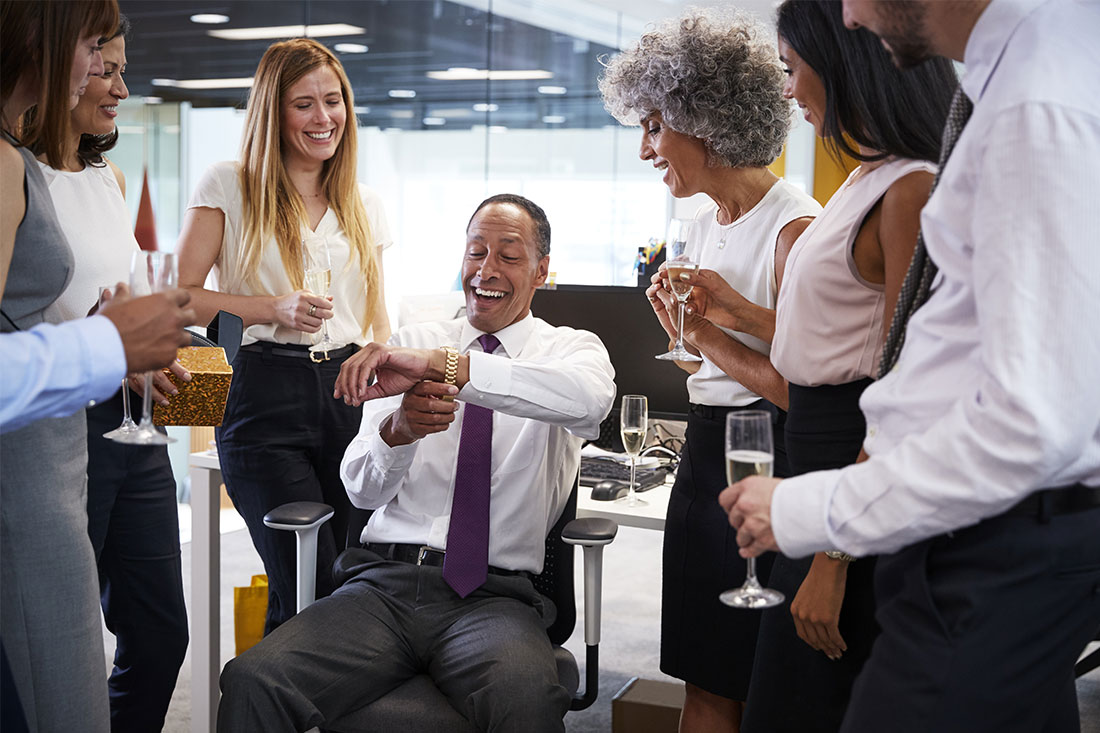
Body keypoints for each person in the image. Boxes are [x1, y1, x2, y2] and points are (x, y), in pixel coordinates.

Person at [720, 0, 1100, 731]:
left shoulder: (1035, 101)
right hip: (943, 504)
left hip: (992, 522)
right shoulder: (1014, 81)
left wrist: (821, 516)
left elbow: (1030, 416)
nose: (853, 17)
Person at [216, 194, 615, 732]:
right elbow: (360, 490)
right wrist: (396, 432)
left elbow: (588, 402)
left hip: (494, 601)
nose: (486, 270)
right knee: (253, 679)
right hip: (383, 587)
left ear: (542, 270)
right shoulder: (411, 342)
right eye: (476, 252)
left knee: (525, 700)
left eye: (509, 256)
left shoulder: (569, 350)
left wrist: (453, 368)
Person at [678, 2, 954, 730]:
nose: (790, 90)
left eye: (793, 69)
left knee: (806, 699)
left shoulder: (909, 189)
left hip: (845, 474)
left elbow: (905, 385)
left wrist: (834, 555)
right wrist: (723, 319)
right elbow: (822, 340)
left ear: (843, 64)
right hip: (815, 468)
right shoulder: (865, 183)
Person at [599, 8, 820, 731]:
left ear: (708, 118)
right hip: (704, 452)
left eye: (655, 126)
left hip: (771, 451)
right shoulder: (698, 219)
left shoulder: (797, 229)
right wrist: (685, 335)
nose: (645, 149)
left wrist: (703, 332)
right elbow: (701, 360)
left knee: (763, 679)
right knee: (701, 671)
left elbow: (800, 389)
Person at [0, 1, 193, 730]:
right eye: (99, 61)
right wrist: (104, 345)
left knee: (154, 629)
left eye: (120, 68)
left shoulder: (105, 181)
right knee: (56, 648)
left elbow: (122, 302)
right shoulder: (17, 171)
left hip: (124, 416)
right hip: (53, 427)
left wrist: (136, 354)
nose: (114, 83)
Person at [177, 37, 394, 634]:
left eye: (334, 101)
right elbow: (182, 296)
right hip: (261, 393)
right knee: (304, 580)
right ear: (274, 111)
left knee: (352, 575)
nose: (324, 118)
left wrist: (384, 351)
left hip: (350, 390)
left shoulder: (363, 202)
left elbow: (378, 319)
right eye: (304, 104)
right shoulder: (230, 183)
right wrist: (270, 306)